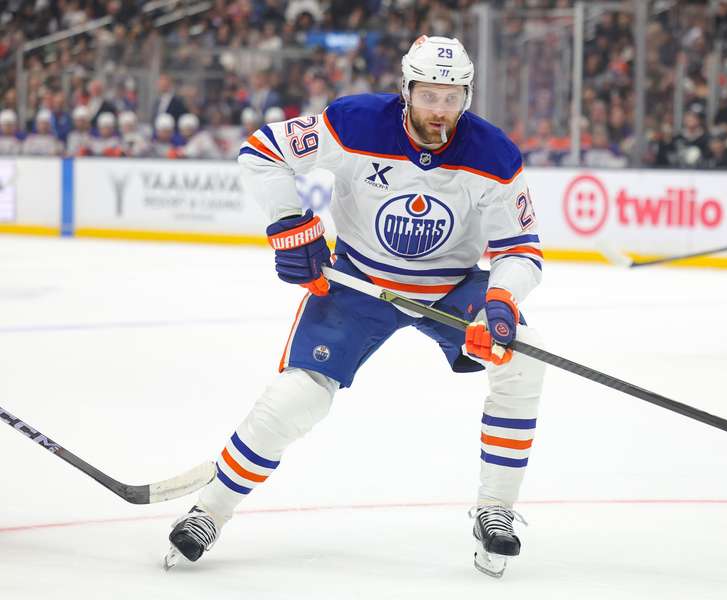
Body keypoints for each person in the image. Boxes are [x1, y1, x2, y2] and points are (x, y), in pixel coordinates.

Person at [164, 35, 545, 579]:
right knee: (299, 396)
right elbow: (262, 152)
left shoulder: (495, 154)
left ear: (468, 95)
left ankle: (497, 511)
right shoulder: (355, 124)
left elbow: (521, 249)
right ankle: (210, 510)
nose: (441, 110)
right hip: (360, 281)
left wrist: (501, 304)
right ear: (407, 90)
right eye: (429, 95)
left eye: (453, 97)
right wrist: (289, 225)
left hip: (451, 288)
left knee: (524, 361)